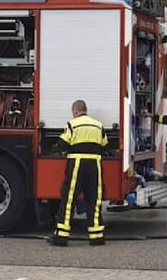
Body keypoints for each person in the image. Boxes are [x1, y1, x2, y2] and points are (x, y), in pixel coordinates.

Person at [49, 99, 109, 246]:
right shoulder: (98, 125)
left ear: (75, 111)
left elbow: (63, 143)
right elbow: (104, 146)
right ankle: (96, 236)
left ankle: (61, 237)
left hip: (77, 164)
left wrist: (55, 151)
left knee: (69, 200)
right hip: (95, 165)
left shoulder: (72, 124)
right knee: (94, 200)